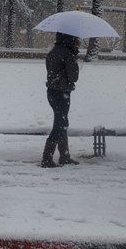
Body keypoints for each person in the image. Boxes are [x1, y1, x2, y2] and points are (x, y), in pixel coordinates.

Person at [41, 33, 81, 168]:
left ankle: (64, 155)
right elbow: (74, 76)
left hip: (52, 92)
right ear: (70, 39)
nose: (77, 42)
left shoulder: (53, 51)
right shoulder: (68, 53)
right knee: (61, 124)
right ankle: (47, 158)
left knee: (61, 122)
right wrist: (74, 59)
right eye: (75, 39)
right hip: (62, 93)